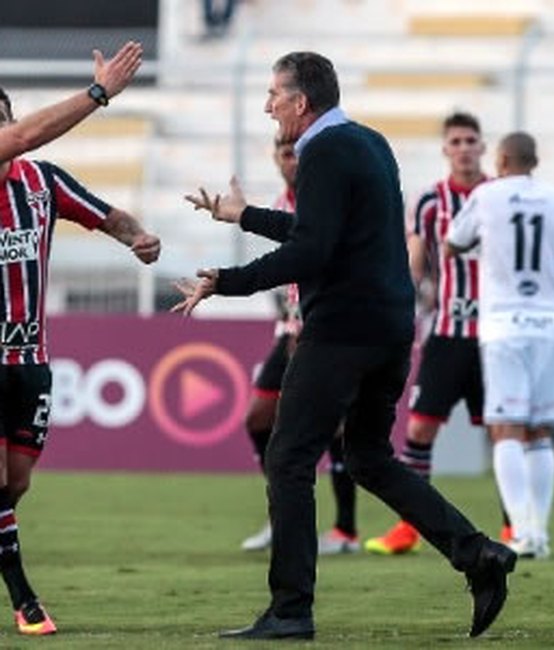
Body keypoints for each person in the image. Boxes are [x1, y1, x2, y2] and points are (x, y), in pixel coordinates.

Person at [174, 51, 515, 640]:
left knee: (288, 459)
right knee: (367, 456)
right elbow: (330, 233)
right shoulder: (368, 142)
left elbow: (313, 252)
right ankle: (477, 553)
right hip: (388, 327)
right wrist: (244, 215)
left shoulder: (321, 152)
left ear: (301, 103)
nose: (267, 106)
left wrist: (227, 281)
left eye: (274, 95)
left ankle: (290, 610)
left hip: (341, 332)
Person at [0, 87, 161, 636]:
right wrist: (98, 93)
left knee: (14, 485)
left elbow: (102, 214)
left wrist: (137, 236)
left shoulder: (42, 183)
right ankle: (26, 602)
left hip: (31, 361)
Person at [365, 111, 512, 555]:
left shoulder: (501, 196)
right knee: (421, 428)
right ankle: (408, 528)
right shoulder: (430, 202)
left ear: (483, 147)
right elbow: (416, 264)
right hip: (447, 333)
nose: (465, 148)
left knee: (503, 433)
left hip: (494, 335)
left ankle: (514, 528)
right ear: (445, 150)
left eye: (472, 140)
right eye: (457, 141)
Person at [211, 138, 360, 555]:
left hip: (325, 328)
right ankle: (285, 517)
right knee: (258, 418)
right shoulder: (282, 200)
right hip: (290, 326)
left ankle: (345, 529)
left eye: (296, 151)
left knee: (331, 426)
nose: (289, 159)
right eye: (283, 152)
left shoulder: (322, 198)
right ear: (275, 159)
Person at [447, 132, 554, 560]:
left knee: (505, 428)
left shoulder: (487, 196)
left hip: (504, 324)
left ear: (503, 158)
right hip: (548, 323)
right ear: (536, 160)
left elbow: (453, 241)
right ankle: (539, 534)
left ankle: (521, 530)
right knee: (540, 431)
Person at [0, 42, 143, 164]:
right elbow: (21, 137)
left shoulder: (43, 179)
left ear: (13, 123)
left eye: (0, 118)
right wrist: (98, 93)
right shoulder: (20, 138)